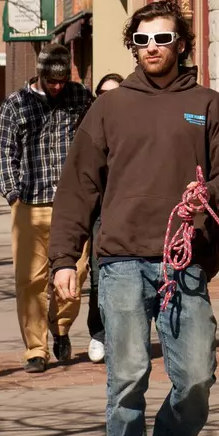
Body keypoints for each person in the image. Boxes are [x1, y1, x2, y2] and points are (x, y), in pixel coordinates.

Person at [50, 0, 219, 436]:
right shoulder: (110, 109)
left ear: (180, 43)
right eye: (141, 41)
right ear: (132, 46)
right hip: (119, 260)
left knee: (197, 378)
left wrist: (207, 193)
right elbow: (78, 188)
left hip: (184, 263)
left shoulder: (207, 105)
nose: (152, 49)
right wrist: (64, 259)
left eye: (161, 39)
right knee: (127, 379)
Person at [0, 43, 92, 373]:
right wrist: (12, 194)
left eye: (63, 80)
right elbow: (3, 153)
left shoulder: (80, 98)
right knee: (31, 281)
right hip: (30, 205)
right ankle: (36, 349)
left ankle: (60, 327)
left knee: (75, 275)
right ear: (40, 73)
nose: (58, 86)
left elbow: (97, 138)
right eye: (52, 80)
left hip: (73, 205)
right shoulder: (16, 104)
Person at [84, 72, 124, 365]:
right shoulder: (89, 129)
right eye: (103, 93)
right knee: (100, 278)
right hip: (100, 214)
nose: (108, 99)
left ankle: (123, 335)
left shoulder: (136, 126)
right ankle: (99, 333)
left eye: (115, 93)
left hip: (130, 215)